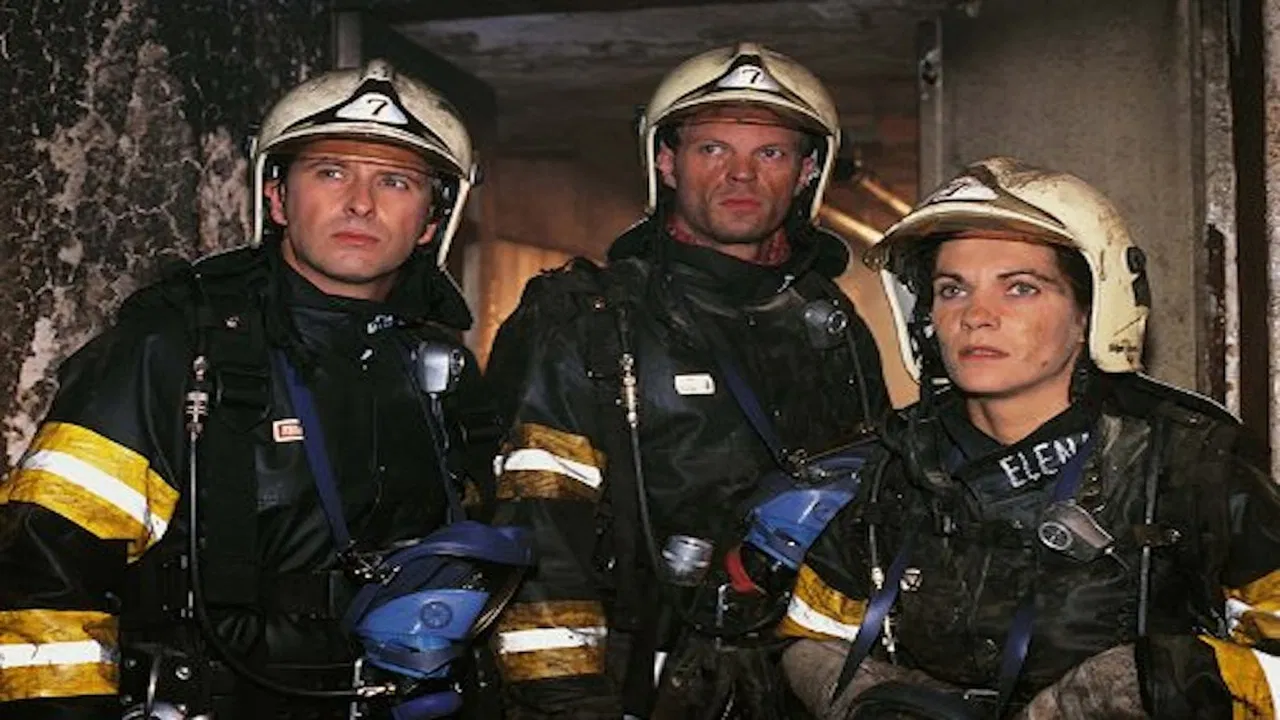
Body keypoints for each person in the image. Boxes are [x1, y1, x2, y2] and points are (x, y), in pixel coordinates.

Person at [0, 59, 517, 719]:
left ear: (430, 222)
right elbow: (43, 572)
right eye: (330, 172)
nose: (361, 203)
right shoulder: (172, 350)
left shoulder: (440, 373)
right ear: (276, 198)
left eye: (395, 181)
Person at [780, 156, 1280, 719]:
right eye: (952, 289)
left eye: (1020, 288)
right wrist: (865, 699)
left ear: (1090, 314)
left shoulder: (1193, 470)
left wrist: (1165, 680)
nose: (976, 316)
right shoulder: (893, 471)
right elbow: (811, 636)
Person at [485, 42, 891, 719]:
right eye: (712, 149)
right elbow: (537, 527)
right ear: (667, 163)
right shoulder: (589, 318)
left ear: (806, 172)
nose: (741, 174)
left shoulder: (833, 326)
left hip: (794, 679)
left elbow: (865, 522)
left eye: (770, 152)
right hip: (634, 678)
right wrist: (569, 701)